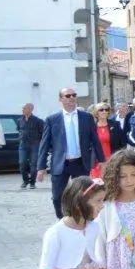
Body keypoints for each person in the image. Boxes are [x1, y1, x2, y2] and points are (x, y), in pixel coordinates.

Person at [38, 88, 106, 218]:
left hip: (81, 162)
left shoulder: (86, 117)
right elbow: (44, 144)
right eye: (67, 95)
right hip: (61, 164)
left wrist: (102, 160)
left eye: (74, 95)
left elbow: (95, 139)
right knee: (57, 197)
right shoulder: (52, 119)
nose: (71, 98)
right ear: (60, 99)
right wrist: (41, 168)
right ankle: (62, 220)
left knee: (83, 194)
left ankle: (81, 218)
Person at [90, 102, 126, 180]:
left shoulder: (115, 124)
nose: (104, 112)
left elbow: (122, 143)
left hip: (113, 161)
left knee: (112, 183)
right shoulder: (91, 127)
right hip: (97, 162)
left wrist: (120, 158)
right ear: (96, 112)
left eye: (106, 110)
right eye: (101, 110)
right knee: (97, 186)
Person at [18, 103, 45, 189]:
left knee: (34, 164)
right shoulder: (19, 120)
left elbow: (43, 134)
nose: (22, 110)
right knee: (22, 163)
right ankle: (25, 181)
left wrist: (39, 143)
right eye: (22, 108)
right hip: (23, 145)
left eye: (24, 108)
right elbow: (19, 130)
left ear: (30, 109)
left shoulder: (38, 121)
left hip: (35, 145)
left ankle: (32, 183)